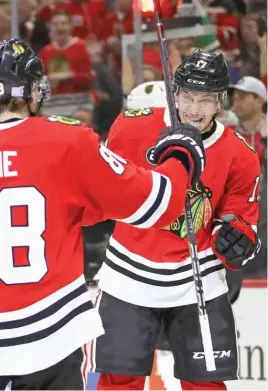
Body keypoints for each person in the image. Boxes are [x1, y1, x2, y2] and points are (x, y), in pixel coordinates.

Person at [0, 39, 206, 390]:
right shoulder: (64, 141)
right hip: (47, 337)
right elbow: (158, 202)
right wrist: (180, 156)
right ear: (34, 91)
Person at [91, 49, 261, 391]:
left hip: (197, 279)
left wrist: (238, 239)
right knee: (118, 382)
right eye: (187, 96)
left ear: (221, 102)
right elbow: (102, 193)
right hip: (129, 273)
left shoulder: (240, 155)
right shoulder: (132, 126)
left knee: (206, 384)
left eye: (206, 100)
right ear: (174, 93)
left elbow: (242, 223)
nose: (194, 109)